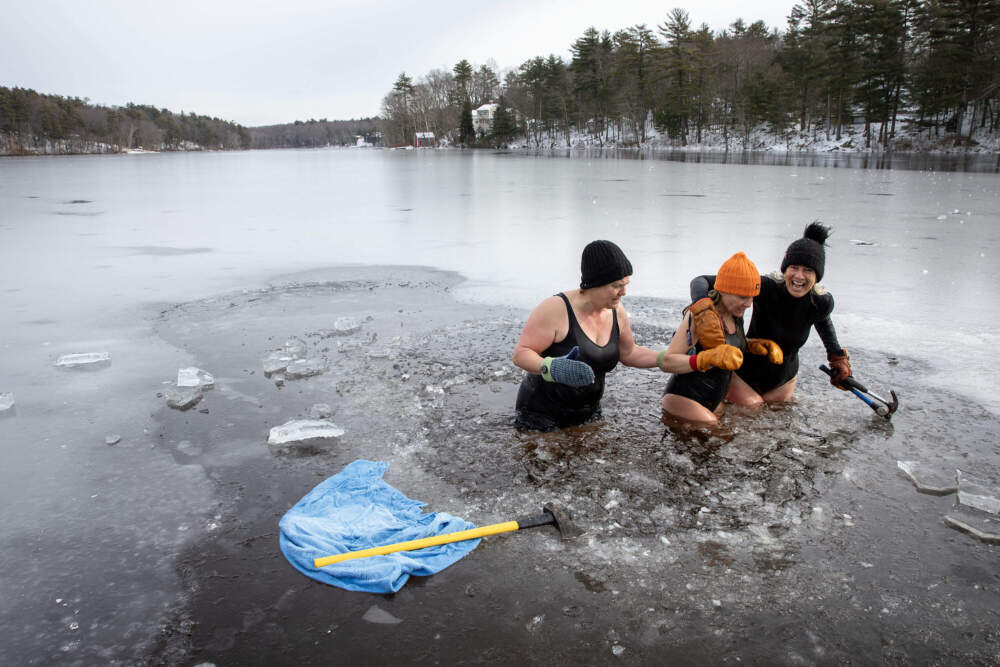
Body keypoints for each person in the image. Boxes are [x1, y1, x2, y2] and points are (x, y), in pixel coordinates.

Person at [689, 222, 851, 406]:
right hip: (745, 372)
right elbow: (701, 281)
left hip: (784, 379)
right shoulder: (767, 287)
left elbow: (824, 324)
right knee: (751, 408)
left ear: (817, 276)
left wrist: (838, 359)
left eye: (808, 270)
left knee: (775, 417)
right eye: (794, 268)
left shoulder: (821, 302)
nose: (799, 276)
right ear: (785, 269)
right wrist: (703, 306)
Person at [513, 240, 663, 430]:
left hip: (588, 411)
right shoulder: (555, 309)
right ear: (595, 283)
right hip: (541, 412)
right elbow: (521, 354)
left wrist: (663, 358)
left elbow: (629, 353)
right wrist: (551, 367)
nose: (624, 292)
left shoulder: (617, 311)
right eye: (617, 285)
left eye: (626, 284)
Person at [660, 252, 765, 425]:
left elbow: (728, 349)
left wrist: (752, 345)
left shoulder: (736, 314)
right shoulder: (699, 317)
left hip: (714, 400)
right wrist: (703, 359)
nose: (749, 304)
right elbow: (667, 362)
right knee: (717, 431)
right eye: (743, 297)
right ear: (723, 290)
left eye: (752, 297)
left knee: (756, 406)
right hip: (683, 398)